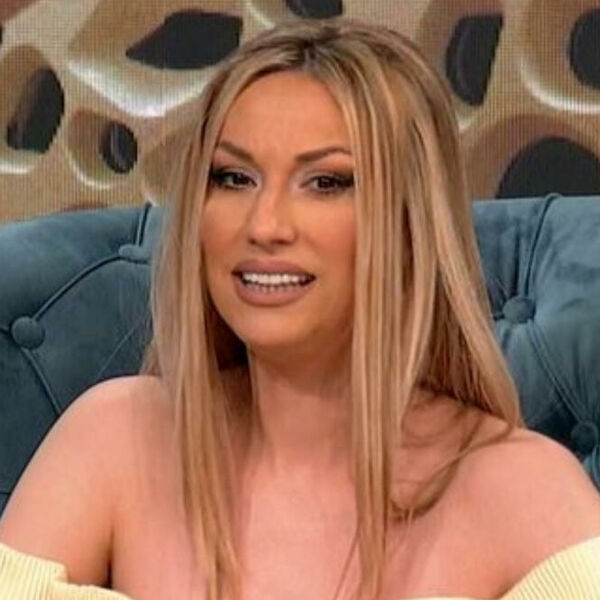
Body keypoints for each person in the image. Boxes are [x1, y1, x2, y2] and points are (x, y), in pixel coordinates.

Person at [1, 16, 599, 600]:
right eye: (233, 178)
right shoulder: (117, 436)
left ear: (411, 224)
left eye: (326, 182)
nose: (264, 225)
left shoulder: (525, 490)